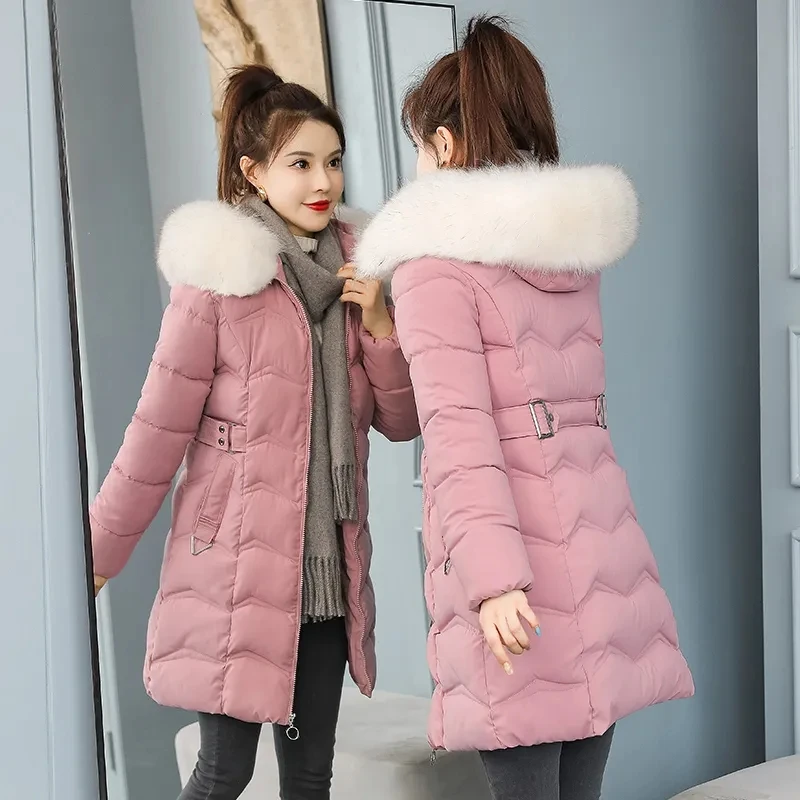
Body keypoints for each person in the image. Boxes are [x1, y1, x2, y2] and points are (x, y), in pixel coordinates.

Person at [355, 16, 694, 800]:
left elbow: (460, 437)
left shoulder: (434, 268)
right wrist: (384, 330)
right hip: (598, 559)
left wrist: (493, 582)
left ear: (443, 146)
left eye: (419, 147)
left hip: (512, 585)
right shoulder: (568, 256)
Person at [89, 64, 418, 800]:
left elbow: (401, 423)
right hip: (235, 569)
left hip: (325, 577)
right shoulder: (219, 279)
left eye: (333, 161)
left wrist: (380, 326)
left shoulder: (362, 274)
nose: (322, 181)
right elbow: (156, 432)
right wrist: (100, 549)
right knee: (224, 773)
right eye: (300, 163)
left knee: (308, 780)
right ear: (253, 172)